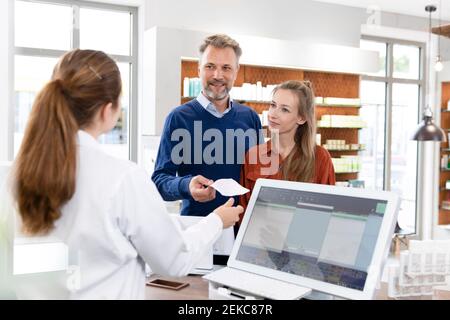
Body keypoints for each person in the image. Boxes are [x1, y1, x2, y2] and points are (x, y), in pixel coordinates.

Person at [10, 49, 243, 299]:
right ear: (107, 110)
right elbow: (174, 261)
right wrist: (216, 220)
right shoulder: (121, 178)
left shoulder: (20, 174)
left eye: (226, 67)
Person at [152, 34, 262, 217]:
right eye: (210, 66)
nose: (217, 75)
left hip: (243, 228)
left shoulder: (250, 118)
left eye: (226, 68)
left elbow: (259, 175)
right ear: (198, 70)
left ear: (236, 71)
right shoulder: (179, 118)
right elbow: (159, 181)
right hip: (199, 231)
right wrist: (186, 185)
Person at [240, 80, 335, 215]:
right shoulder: (254, 155)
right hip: (259, 235)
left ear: (301, 118)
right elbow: (244, 209)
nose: (273, 114)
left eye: (284, 109)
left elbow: (327, 212)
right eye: (273, 105)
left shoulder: (320, 158)